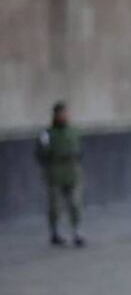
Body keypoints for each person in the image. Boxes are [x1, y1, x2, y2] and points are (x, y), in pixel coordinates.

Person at [35, 102, 84, 247]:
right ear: (55, 115)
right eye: (60, 113)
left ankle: (77, 232)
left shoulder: (74, 131)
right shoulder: (47, 134)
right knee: (55, 205)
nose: (63, 116)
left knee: (75, 203)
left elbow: (80, 150)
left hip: (72, 172)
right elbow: (40, 153)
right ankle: (55, 232)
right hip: (55, 173)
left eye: (65, 113)